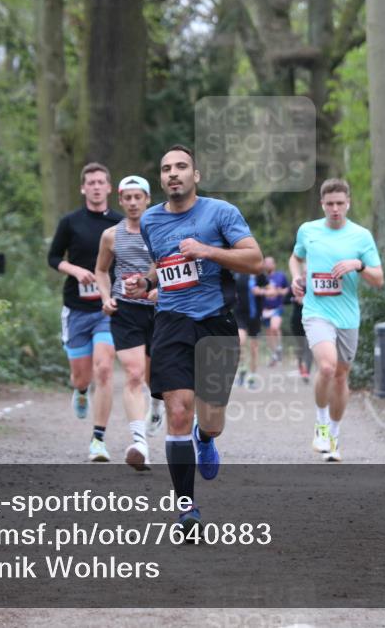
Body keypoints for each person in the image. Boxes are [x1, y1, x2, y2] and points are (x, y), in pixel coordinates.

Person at [125, 144, 263, 534]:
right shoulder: (150, 221)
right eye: (166, 168)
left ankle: (206, 438)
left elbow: (253, 259)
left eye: (181, 167)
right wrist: (147, 281)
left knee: (211, 419)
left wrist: (206, 250)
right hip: (171, 322)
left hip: (216, 323)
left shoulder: (221, 213)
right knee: (179, 411)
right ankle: (186, 507)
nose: (173, 173)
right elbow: (163, 263)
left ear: (196, 175)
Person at [289, 178, 384, 462]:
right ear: (322, 204)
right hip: (316, 311)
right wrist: (296, 276)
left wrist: (359, 265)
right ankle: (320, 423)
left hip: (348, 316)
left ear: (348, 203)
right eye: (330, 204)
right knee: (328, 367)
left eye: (340, 204)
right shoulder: (309, 231)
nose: (335, 209)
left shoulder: (361, 236)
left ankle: (334, 434)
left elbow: (379, 279)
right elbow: (295, 258)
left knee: (342, 376)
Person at [48, 162, 123, 462]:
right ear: (83, 188)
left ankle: (98, 440)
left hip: (107, 307)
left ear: (108, 188)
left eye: (100, 182)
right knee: (82, 377)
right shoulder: (70, 222)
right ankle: (80, 391)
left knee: (104, 368)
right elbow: (53, 257)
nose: (95, 186)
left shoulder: (120, 223)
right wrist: (76, 270)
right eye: (90, 182)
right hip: (76, 309)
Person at [94, 175, 166, 471]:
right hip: (126, 312)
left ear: (148, 200)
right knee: (134, 375)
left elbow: (171, 266)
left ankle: (157, 403)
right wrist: (105, 297)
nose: (134, 203)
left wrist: (158, 289)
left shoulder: (161, 231)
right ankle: (140, 444)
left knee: (155, 378)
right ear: (120, 201)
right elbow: (100, 270)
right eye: (128, 198)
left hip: (160, 311)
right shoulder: (111, 235)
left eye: (139, 197)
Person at [233, 268, 269, 388]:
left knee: (254, 349)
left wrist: (261, 291)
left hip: (255, 316)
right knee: (240, 340)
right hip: (240, 314)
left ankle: (252, 377)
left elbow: (272, 290)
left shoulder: (259, 274)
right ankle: (242, 367)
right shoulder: (237, 273)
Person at [261, 256, 289, 366]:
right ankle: (274, 354)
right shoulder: (261, 278)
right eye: (265, 263)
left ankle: (279, 347)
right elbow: (255, 289)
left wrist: (280, 292)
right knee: (269, 333)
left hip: (277, 308)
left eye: (269, 263)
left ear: (274, 264)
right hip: (265, 309)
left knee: (275, 327)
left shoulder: (280, 276)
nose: (267, 265)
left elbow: (287, 289)